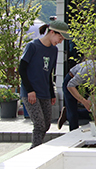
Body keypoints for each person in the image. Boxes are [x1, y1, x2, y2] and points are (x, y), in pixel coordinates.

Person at [20, 20, 70, 148]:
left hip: (45, 92)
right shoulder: (32, 46)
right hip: (30, 92)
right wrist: (29, 90)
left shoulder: (54, 50)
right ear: (52, 32)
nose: (60, 42)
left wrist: (52, 93)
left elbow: (49, 73)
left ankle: (36, 148)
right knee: (39, 124)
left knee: (46, 124)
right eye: (60, 38)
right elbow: (22, 69)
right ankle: (34, 150)